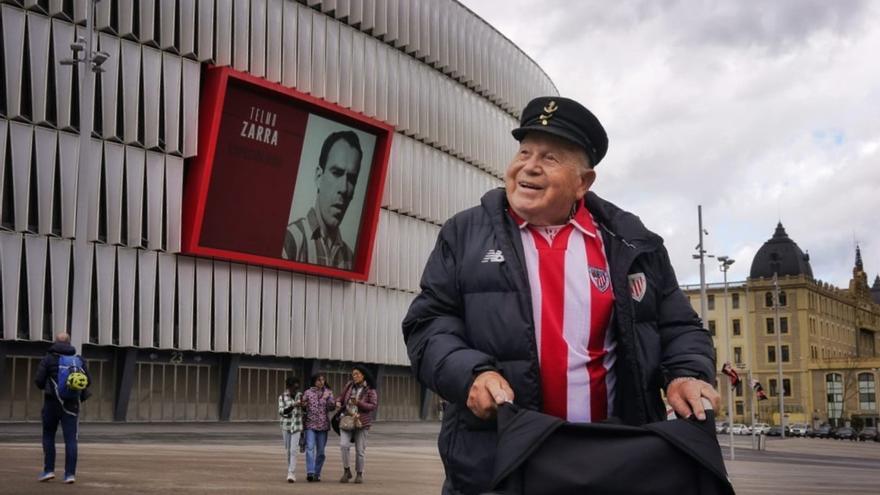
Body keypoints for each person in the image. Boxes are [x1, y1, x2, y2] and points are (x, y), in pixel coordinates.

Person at [402, 96, 720, 495]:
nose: (528, 167)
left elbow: (679, 326)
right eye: (524, 152)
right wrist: (472, 374)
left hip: (613, 461)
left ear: (583, 183)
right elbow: (429, 324)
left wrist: (687, 374)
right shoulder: (463, 234)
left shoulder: (633, 242)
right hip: (500, 458)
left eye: (550, 157)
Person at [282, 130, 363, 269]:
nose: (344, 188)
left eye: (351, 179)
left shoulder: (350, 258)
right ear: (319, 177)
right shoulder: (290, 240)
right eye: (337, 173)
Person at [34, 332, 91, 484]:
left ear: (55, 342)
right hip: (71, 404)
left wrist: (50, 385)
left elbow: (39, 381)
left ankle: (48, 471)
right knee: (71, 439)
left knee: (48, 436)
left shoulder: (48, 359)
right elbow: (88, 381)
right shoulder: (78, 360)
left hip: (52, 402)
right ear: (69, 342)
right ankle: (70, 475)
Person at [336, 365, 378, 484]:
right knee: (344, 445)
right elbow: (341, 397)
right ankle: (346, 471)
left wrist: (358, 403)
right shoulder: (349, 386)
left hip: (361, 422)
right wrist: (338, 401)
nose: (354, 376)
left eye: (357, 374)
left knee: (360, 450)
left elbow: (373, 406)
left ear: (363, 375)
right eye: (353, 374)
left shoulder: (370, 389)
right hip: (346, 420)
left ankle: (359, 474)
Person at [301, 373, 335, 482]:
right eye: (318, 380)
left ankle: (317, 473)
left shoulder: (328, 393)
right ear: (314, 381)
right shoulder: (308, 392)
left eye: (323, 380)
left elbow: (331, 408)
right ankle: (310, 472)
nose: (321, 382)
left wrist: (330, 401)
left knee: (321, 452)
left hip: (323, 426)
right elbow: (303, 406)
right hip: (310, 425)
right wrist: (303, 404)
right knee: (310, 447)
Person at [278, 376, 304, 483]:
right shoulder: (282, 397)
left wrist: (303, 405)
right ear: (288, 386)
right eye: (293, 387)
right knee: (288, 450)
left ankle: (291, 473)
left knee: (294, 450)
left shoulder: (301, 396)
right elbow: (282, 412)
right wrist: (294, 405)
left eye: (297, 387)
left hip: (297, 426)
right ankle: (290, 469)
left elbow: (305, 409)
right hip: (286, 426)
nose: (295, 389)